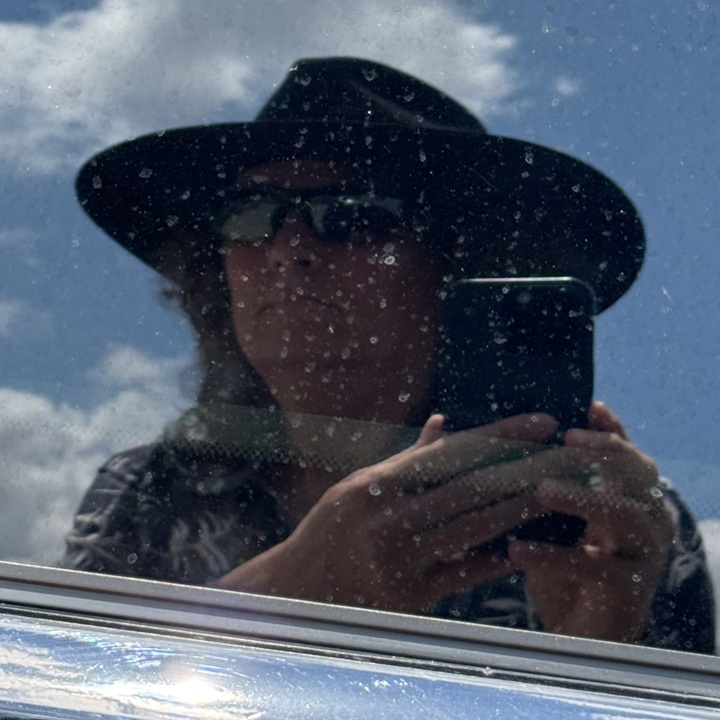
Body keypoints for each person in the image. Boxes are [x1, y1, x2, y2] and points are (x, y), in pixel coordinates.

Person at [64, 56, 715, 652]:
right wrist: (293, 588)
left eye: (352, 213)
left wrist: (598, 646)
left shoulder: (608, 522)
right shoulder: (148, 490)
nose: (289, 248)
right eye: (250, 214)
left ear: (456, 268)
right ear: (216, 273)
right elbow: (65, 688)